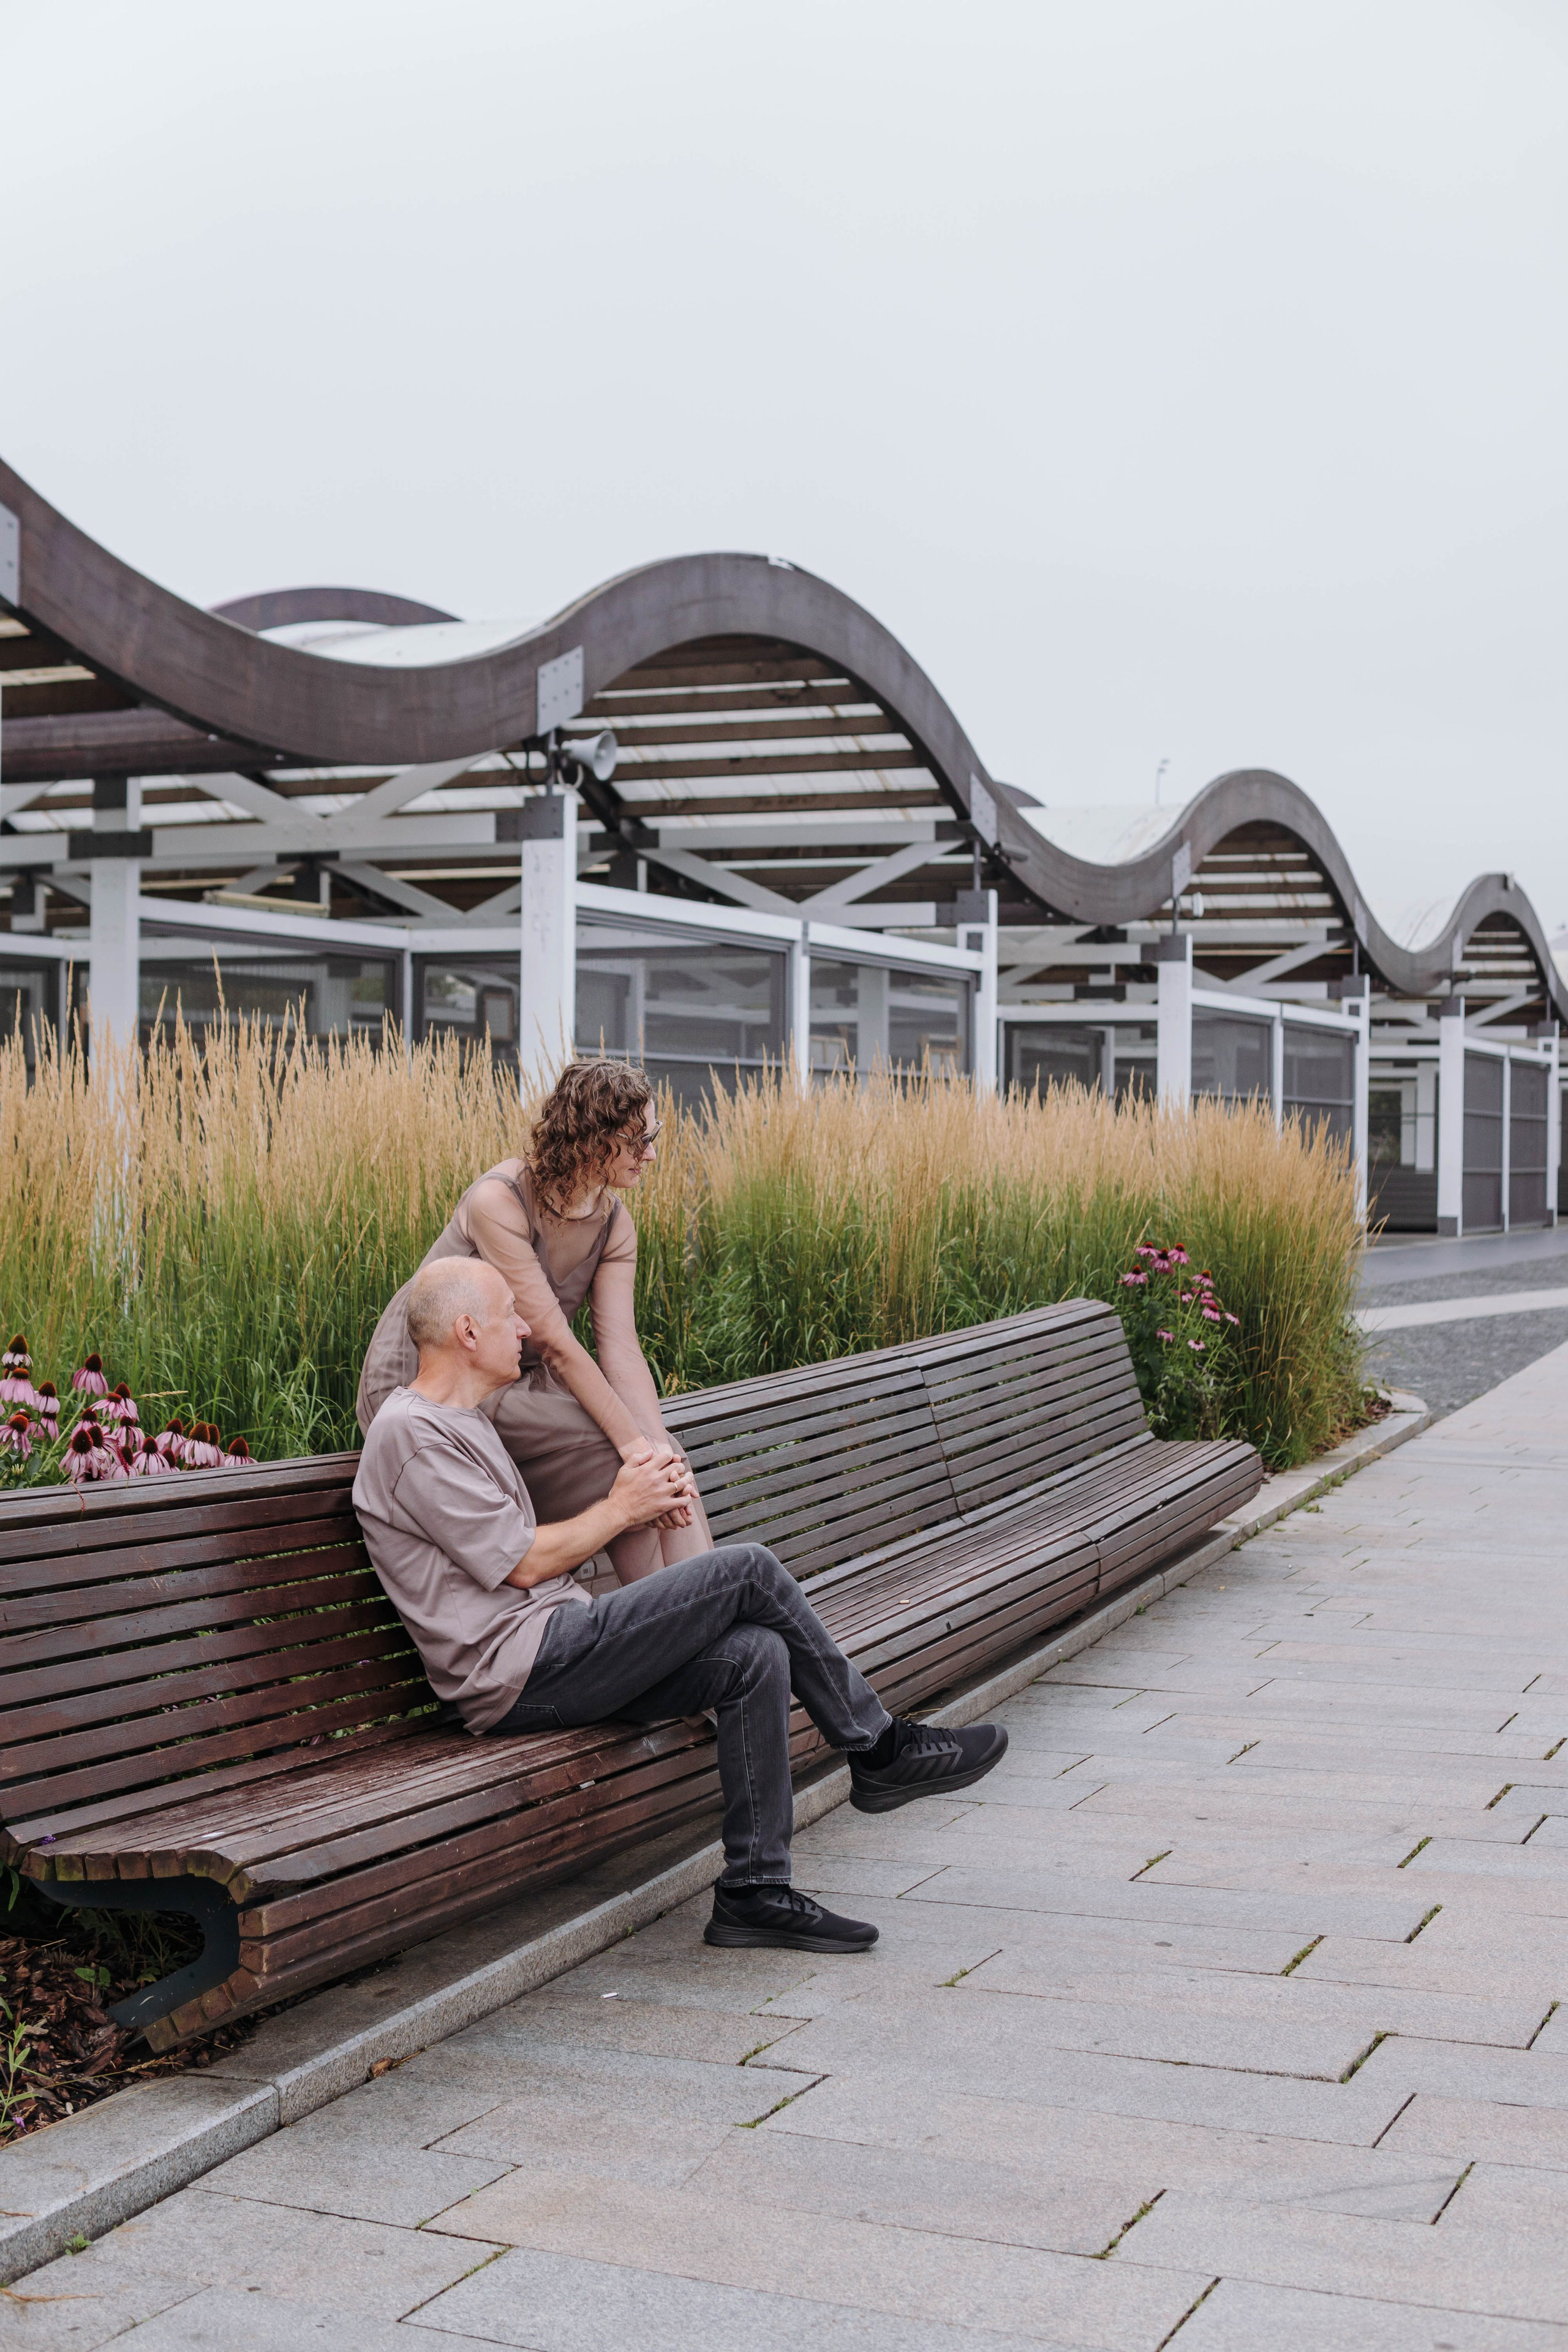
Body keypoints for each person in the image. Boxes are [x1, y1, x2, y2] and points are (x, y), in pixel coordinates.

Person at [352, 1257, 1009, 1955]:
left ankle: (755, 1891)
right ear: (467, 1333)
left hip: (553, 1648)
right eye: (510, 1315)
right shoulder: (412, 1434)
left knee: (755, 1655)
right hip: (519, 1668)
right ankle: (878, 1747)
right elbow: (523, 1564)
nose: (525, 1330)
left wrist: (643, 1498)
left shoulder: (461, 1422)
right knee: (748, 1569)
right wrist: (622, 1506)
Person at [358, 1058, 709, 1586]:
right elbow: (554, 1341)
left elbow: (621, 1351)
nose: (651, 1154)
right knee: (618, 1460)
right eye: (638, 1140)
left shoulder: (615, 1225)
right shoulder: (500, 1200)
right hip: (439, 1378)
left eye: (652, 1136)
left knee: (664, 1463)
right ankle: (685, 1616)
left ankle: (710, 1611)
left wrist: (658, 1452)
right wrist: (637, 1452)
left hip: (514, 1372)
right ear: (593, 1139)